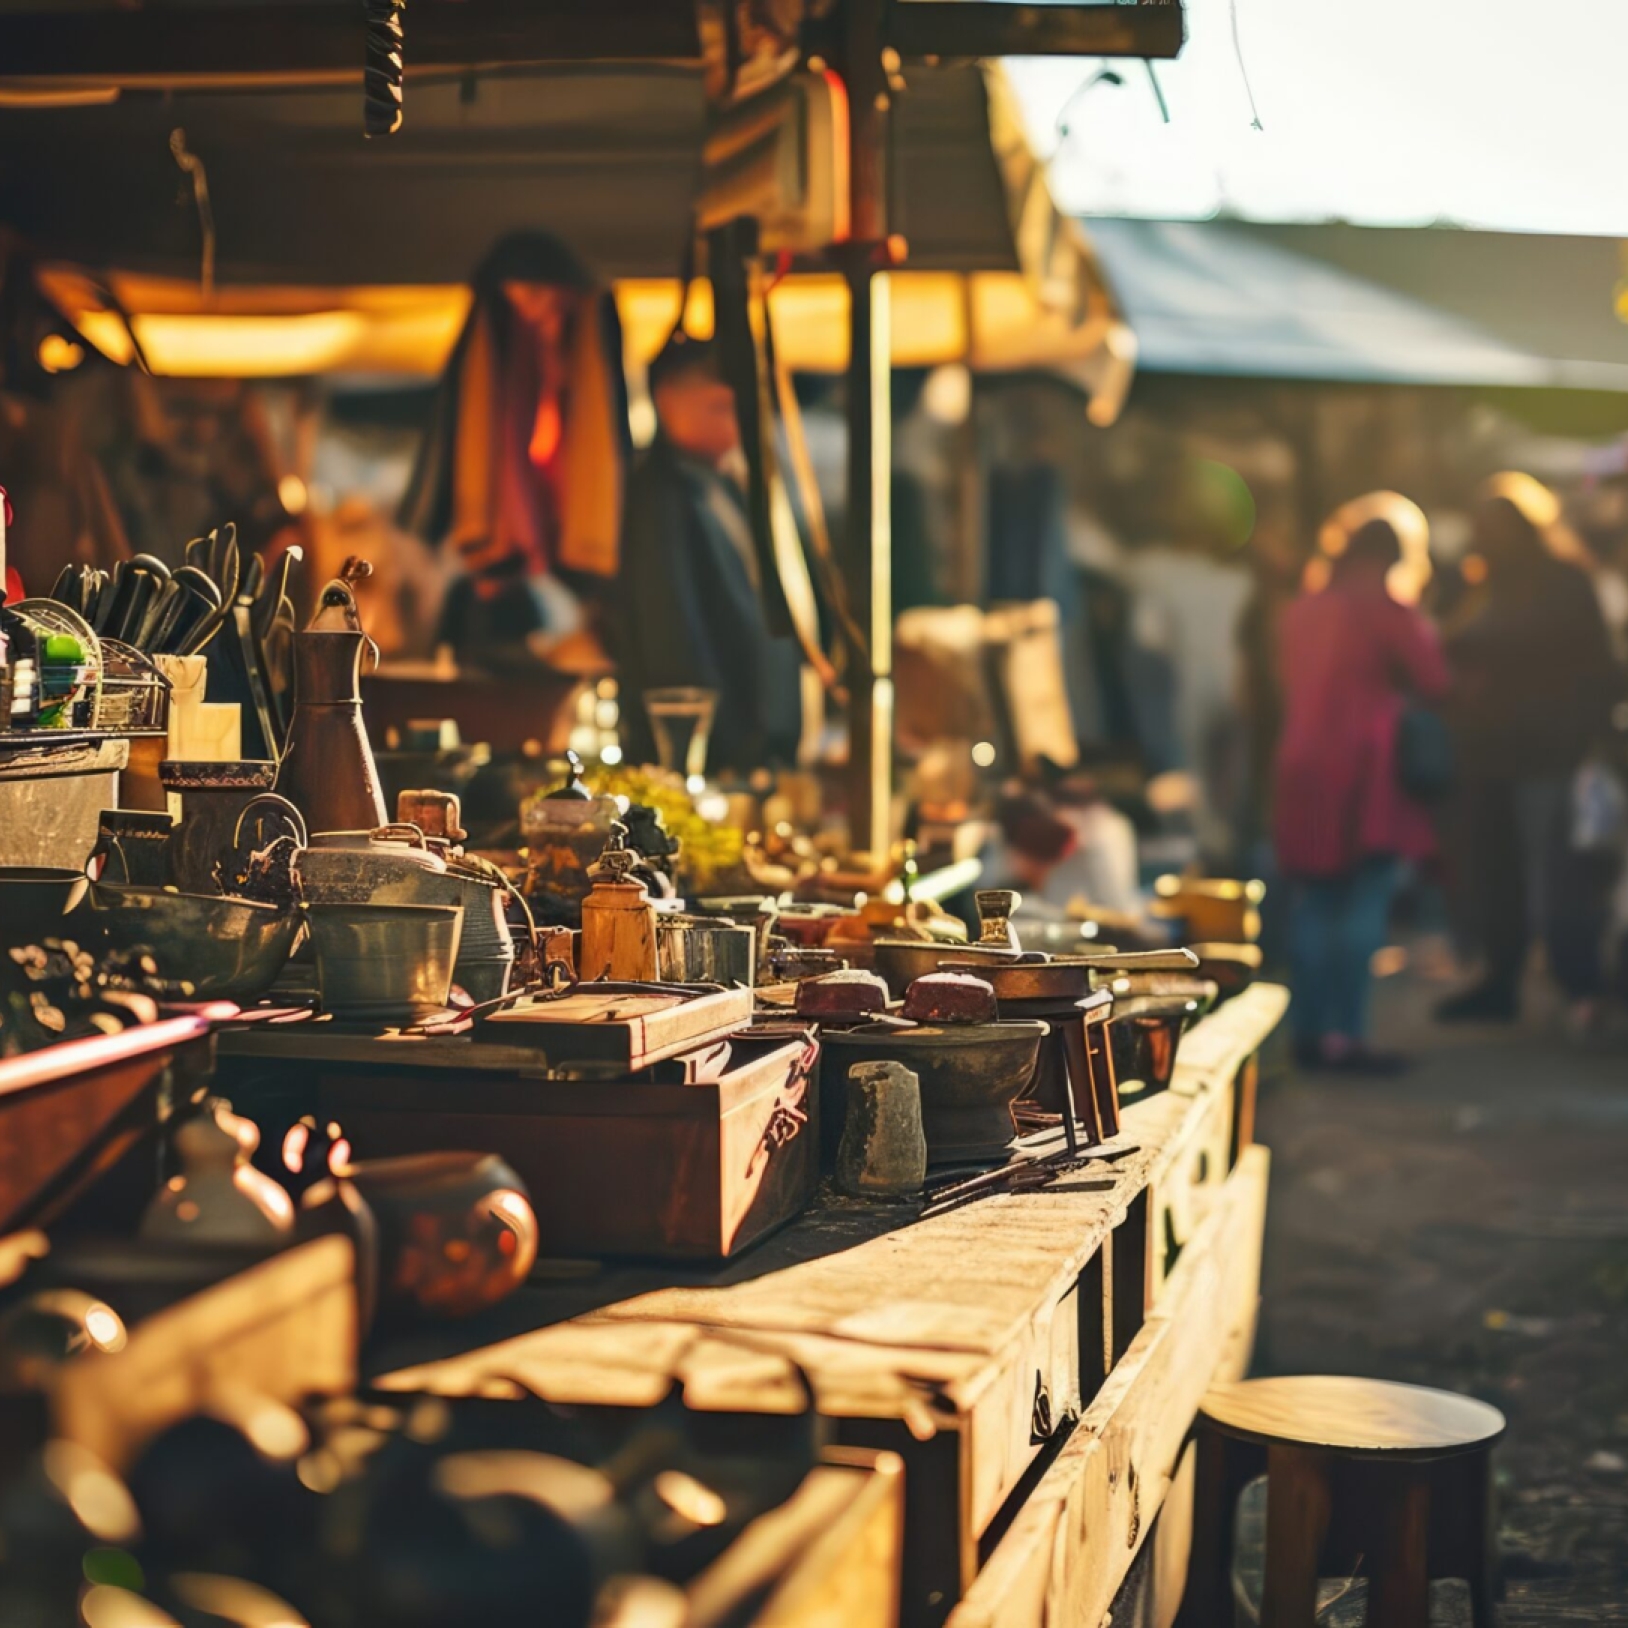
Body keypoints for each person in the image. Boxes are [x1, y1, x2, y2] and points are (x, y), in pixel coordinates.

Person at [1437, 490, 1624, 1023]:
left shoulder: (1563, 583)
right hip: (1489, 753)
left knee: (1559, 877)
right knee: (1496, 876)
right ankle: (1502, 980)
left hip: (1550, 753)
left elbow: (1592, 664)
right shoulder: (1486, 586)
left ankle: (1580, 987)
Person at [1275, 514, 1449, 1070]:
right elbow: (1434, 678)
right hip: (1367, 770)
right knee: (1363, 900)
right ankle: (1345, 1036)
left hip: (1302, 765)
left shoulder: (1303, 610)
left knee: (1314, 902)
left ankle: (1308, 1031)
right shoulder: (1385, 610)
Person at [613, 333, 803, 775]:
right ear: (666, 400)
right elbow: (673, 632)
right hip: (710, 752)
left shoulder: (730, 484)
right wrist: (714, 746)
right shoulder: (657, 495)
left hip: (760, 742)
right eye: (719, 406)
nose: (737, 421)